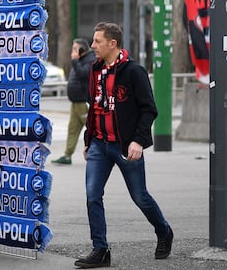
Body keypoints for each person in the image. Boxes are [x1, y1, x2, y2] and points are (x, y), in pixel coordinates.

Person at [75, 22, 173, 269]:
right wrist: (89, 140)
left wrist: (138, 141)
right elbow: (94, 108)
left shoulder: (133, 71)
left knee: (140, 197)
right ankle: (100, 249)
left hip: (125, 146)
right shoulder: (94, 70)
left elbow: (149, 109)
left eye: (97, 41)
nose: (93, 46)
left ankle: (164, 231)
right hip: (99, 144)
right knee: (92, 196)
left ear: (112, 44)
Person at [52, 38, 95, 165]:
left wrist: (75, 61)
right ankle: (67, 155)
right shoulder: (80, 60)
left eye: (75, 49)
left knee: (93, 128)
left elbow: (83, 74)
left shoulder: (90, 59)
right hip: (76, 101)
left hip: (83, 101)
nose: (72, 52)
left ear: (82, 50)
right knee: (72, 129)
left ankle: (104, 153)